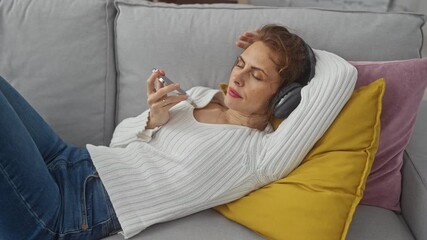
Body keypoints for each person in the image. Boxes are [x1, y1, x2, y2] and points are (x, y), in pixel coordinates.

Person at [0, 24, 357, 240]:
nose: (238, 76)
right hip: (71, 159)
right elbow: (118, 144)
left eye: (258, 75)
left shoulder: (261, 156)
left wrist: (285, 49)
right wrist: (152, 120)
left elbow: (342, 75)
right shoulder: (199, 95)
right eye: (240, 63)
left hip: (65, 214)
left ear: (283, 96)